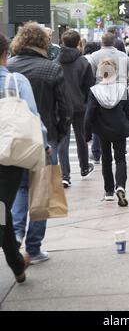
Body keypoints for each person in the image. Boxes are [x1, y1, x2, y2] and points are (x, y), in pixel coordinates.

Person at [8, 22, 71, 265]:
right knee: (41, 192)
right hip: (46, 139)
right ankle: (34, 248)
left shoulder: (10, 67)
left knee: (21, 189)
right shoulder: (52, 69)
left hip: (16, 137)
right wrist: (59, 133)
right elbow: (64, 108)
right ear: (43, 43)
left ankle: (14, 235)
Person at [0, 33, 50, 282]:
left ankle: (17, 264)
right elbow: (32, 117)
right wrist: (45, 145)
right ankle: (17, 264)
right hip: (9, 157)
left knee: (2, 211)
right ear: (4, 54)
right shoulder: (15, 81)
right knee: (1, 209)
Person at [84, 58, 129, 206]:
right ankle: (120, 186)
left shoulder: (95, 91)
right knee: (120, 158)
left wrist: (87, 133)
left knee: (106, 159)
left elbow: (89, 115)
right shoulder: (122, 89)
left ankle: (109, 192)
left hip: (102, 130)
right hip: (119, 128)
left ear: (100, 72)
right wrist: (127, 125)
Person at [56, 30, 95, 187]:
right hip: (79, 106)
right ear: (78, 42)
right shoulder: (83, 62)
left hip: (61, 106)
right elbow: (89, 86)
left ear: (62, 42)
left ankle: (65, 175)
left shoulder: (56, 61)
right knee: (81, 138)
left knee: (63, 141)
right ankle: (84, 167)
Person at [83, 41, 102, 163]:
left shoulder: (82, 59)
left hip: (83, 95)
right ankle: (96, 152)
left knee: (86, 121)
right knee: (96, 122)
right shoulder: (97, 59)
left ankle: (92, 152)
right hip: (97, 92)